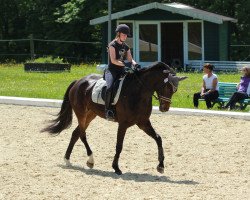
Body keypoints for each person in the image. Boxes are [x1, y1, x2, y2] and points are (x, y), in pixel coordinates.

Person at [105, 24, 137, 121]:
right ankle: (108, 110)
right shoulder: (112, 45)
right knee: (110, 87)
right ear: (118, 34)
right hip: (112, 71)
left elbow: (131, 60)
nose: (125, 36)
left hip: (122, 71)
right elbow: (114, 60)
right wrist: (125, 64)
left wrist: (135, 64)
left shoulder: (126, 46)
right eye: (124, 34)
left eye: (126, 35)